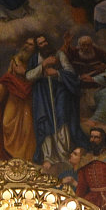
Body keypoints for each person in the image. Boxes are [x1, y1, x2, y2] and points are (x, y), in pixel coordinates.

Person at [26, 33, 86, 165]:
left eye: (45, 41)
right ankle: (49, 157)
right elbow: (29, 76)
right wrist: (43, 65)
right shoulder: (35, 58)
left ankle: (64, 154)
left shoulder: (59, 54)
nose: (44, 44)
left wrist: (57, 73)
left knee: (61, 119)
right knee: (45, 123)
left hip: (60, 92)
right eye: (41, 43)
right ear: (38, 46)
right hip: (42, 95)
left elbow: (70, 72)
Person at [0, 41, 38, 161]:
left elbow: (35, 79)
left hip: (27, 102)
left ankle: (25, 158)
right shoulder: (15, 60)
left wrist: (24, 73)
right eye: (27, 43)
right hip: (13, 99)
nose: (27, 46)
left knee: (27, 130)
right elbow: (6, 81)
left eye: (31, 45)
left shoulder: (34, 63)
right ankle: (12, 156)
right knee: (6, 123)